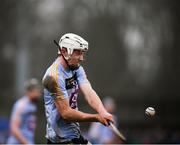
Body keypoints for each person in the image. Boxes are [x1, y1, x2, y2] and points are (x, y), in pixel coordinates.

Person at [42, 33, 114, 144]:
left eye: (82, 53)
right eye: (78, 53)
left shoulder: (76, 69)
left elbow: (89, 92)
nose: (82, 58)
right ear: (64, 52)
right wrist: (96, 118)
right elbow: (66, 113)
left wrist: (102, 111)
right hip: (61, 140)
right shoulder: (54, 76)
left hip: (73, 135)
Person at [7, 78, 42, 144]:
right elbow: (14, 128)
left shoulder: (33, 105)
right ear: (29, 91)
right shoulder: (21, 105)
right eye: (36, 90)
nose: (39, 93)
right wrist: (26, 143)